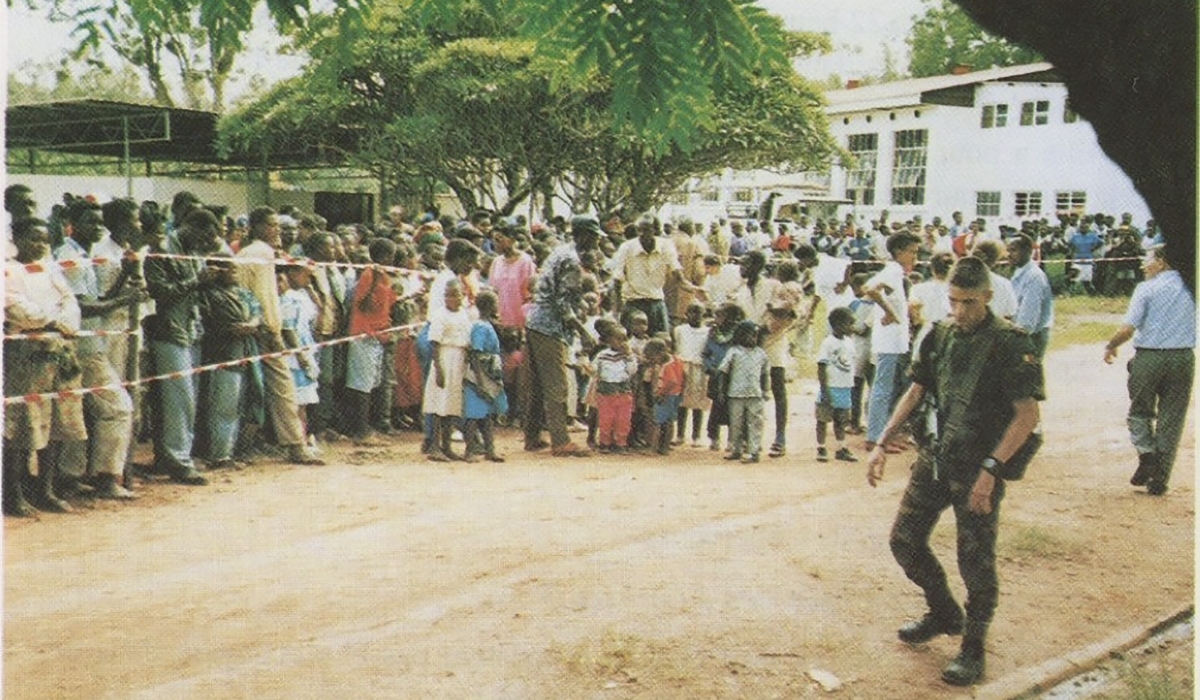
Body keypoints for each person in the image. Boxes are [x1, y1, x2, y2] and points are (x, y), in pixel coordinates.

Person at [866, 256, 1044, 687]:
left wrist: (991, 470)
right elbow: (917, 388)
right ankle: (944, 612)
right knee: (904, 540)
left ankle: (973, 648)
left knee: (975, 561)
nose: (960, 310)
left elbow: (1027, 416)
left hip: (980, 466)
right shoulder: (941, 333)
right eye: (953, 301)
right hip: (938, 456)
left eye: (968, 302)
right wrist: (882, 441)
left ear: (987, 297)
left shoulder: (1010, 343)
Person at [3, 218, 89, 515]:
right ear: (17, 239)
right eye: (32, 239)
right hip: (25, 355)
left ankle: (46, 490)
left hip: (58, 353)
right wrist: (50, 320)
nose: (38, 245)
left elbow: (70, 304)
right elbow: (16, 307)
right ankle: (13, 495)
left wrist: (61, 321)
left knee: (56, 425)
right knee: (21, 427)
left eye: (43, 240)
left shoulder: (50, 270)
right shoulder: (9, 270)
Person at [1103, 246, 1195, 495]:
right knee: (1171, 420)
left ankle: (1146, 454)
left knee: (1139, 411)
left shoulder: (1147, 289)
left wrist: (1111, 346)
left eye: (1148, 260)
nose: (1143, 265)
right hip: (1183, 357)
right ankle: (1160, 479)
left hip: (1150, 356)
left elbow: (1128, 328)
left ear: (1162, 262)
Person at [235, 206, 324, 465]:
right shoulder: (259, 254)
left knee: (265, 389)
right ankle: (290, 445)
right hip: (262, 331)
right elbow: (260, 296)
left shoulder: (256, 254)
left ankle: (288, 444)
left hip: (257, 327)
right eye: (272, 225)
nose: (278, 231)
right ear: (258, 227)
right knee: (273, 389)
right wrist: (270, 329)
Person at [522, 216, 601, 456]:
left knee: (535, 385)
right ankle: (560, 440)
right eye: (594, 236)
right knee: (557, 384)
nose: (597, 242)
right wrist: (583, 330)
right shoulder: (572, 261)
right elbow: (563, 303)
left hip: (536, 321)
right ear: (583, 235)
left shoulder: (560, 252)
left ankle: (532, 436)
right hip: (550, 327)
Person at [197, 257, 261, 470]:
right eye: (228, 268)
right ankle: (220, 455)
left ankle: (229, 451)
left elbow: (255, 312)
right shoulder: (210, 295)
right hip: (222, 354)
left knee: (236, 406)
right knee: (223, 407)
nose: (234, 271)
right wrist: (233, 328)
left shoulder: (241, 293)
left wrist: (250, 324)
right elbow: (215, 323)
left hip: (242, 353)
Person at [863, 232, 921, 452]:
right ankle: (875, 437)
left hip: (896, 338)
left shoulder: (895, 272)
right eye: (912, 252)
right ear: (899, 252)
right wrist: (889, 312)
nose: (915, 258)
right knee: (883, 386)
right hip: (888, 338)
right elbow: (869, 290)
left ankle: (886, 434)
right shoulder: (893, 270)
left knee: (893, 386)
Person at [424, 279, 473, 462]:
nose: (451, 298)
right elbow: (435, 343)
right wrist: (438, 368)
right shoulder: (440, 315)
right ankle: (434, 446)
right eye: (447, 295)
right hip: (444, 358)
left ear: (462, 296)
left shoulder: (463, 314)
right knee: (438, 404)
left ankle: (447, 446)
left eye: (455, 294)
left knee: (451, 405)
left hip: (458, 359)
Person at [462, 289, 508, 462]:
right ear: (490, 306)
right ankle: (470, 451)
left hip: (488, 374)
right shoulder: (480, 327)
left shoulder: (486, 324)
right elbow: (475, 353)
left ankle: (490, 449)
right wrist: (480, 381)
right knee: (474, 416)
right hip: (479, 376)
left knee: (487, 415)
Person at [717, 320, 769, 463]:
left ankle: (753, 451)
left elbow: (764, 374)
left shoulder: (761, 354)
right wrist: (721, 391)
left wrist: (765, 390)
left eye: (755, 336)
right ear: (741, 335)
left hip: (755, 394)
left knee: (755, 422)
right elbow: (723, 371)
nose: (753, 339)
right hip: (736, 394)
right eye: (750, 335)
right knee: (736, 423)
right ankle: (736, 449)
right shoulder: (734, 352)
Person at [815, 307, 858, 463]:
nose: (852, 326)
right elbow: (821, 366)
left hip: (845, 387)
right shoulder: (828, 343)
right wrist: (824, 389)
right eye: (849, 323)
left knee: (841, 420)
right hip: (831, 387)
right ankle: (821, 447)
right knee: (823, 419)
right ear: (838, 324)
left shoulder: (850, 343)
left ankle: (841, 448)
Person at [1007, 234, 1055, 358]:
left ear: (1028, 251)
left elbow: (1028, 318)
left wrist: (1021, 341)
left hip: (1030, 337)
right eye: (1008, 250)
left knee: (1029, 375)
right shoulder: (1019, 272)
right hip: (1019, 333)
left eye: (1013, 250)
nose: (1009, 254)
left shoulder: (1034, 277)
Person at [593, 325, 638, 453]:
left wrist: (629, 355)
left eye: (624, 339)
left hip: (623, 391)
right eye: (618, 339)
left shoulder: (628, 355)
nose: (622, 342)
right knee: (606, 419)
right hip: (606, 392)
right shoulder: (602, 355)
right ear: (609, 340)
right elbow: (595, 368)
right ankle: (605, 442)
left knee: (623, 419)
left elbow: (632, 371)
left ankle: (620, 443)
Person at [673, 301, 712, 447]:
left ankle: (696, 436)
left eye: (698, 312)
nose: (695, 316)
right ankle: (680, 435)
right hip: (683, 367)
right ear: (686, 314)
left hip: (699, 369)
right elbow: (677, 347)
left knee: (698, 404)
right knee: (681, 403)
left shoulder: (708, 331)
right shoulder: (680, 330)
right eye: (692, 312)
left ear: (704, 315)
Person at [643, 337, 685, 455]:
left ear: (660, 353)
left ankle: (653, 448)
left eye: (653, 357)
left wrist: (660, 394)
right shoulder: (676, 360)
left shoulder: (666, 366)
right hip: (675, 395)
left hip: (665, 396)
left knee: (658, 422)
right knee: (669, 422)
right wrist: (681, 392)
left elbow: (672, 381)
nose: (653, 361)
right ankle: (664, 447)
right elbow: (684, 376)